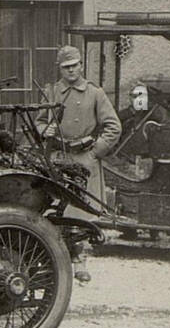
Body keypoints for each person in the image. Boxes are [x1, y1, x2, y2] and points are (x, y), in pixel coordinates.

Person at [41, 45, 121, 283]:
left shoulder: (94, 93)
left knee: (81, 215)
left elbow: (114, 127)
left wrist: (95, 153)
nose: (71, 71)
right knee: (55, 211)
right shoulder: (52, 92)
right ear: (60, 69)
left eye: (74, 65)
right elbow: (37, 121)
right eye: (66, 67)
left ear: (81, 65)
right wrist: (45, 129)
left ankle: (81, 263)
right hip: (58, 158)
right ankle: (55, 263)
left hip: (84, 160)